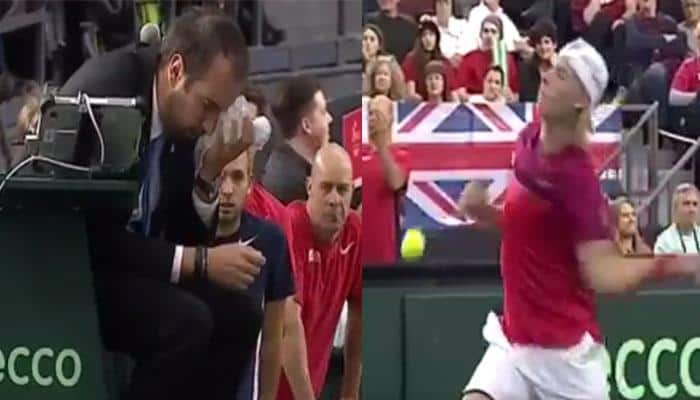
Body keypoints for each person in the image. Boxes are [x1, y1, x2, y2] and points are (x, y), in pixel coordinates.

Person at [459, 38, 700, 400]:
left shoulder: (577, 180)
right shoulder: (528, 139)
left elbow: (602, 274)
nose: (547, 77)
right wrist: (486, 213)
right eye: (552, 67)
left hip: (566, 363)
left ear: (580, 101)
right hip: (512, 342)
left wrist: (681, 264)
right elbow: (532, 233)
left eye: (562, 74)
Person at [59, 8, 268, 400]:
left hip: (132, 266)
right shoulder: (112, 94)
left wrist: (208, 174)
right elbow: (92, 236)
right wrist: (201, 262)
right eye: (207, 106)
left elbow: (178, 232)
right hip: (75, 267)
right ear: (175, 70)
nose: (209, 124)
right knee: (186, 323)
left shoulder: (180, 123)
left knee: (241, 315)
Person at [278, 144, 362, 400]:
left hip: (312, 386)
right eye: (326, 187)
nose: (334, 199)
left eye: (342, 189)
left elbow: (359, 315)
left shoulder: (354, 233)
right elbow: (288, 327)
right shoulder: (288, 227)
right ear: (309, 187)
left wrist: (350, 394)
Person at [209, 149, 294, 400]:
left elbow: (272, 339)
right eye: (218, 176)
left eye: (236, 177)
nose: (226, 189)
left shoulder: (271, 242)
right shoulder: (180, 235)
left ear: (250, 183)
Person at [262, 76, 333, 205]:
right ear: (306, 126)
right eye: (323, 112)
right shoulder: (287, 181)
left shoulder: (296, 164)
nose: (330, 118)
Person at [654, 183, 700, 254]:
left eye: (695, 204)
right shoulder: (665, 241)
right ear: (676, 208)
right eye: (686, 203)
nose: (692, 209)